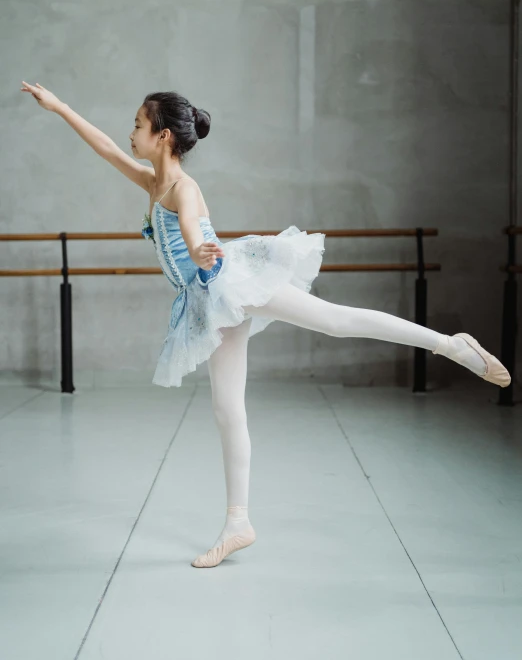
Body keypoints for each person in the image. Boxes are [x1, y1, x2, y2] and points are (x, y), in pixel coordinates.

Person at [21, 81, 511, 569]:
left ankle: (450, 344)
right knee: (227, 408)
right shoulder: (154, 182)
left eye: (137, 125)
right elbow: (105, 149)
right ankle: (239, 522)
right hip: (209, 302)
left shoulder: (184, 189)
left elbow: (193, 229)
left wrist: (197, 251)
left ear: (164, 135)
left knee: (336, 322)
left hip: (231, 281)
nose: (129, 133)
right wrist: (60, 106)